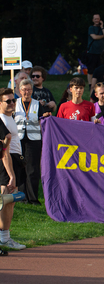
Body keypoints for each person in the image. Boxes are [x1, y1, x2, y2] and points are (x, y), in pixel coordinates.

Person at [15, 80, 51, 205]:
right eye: (24, 89)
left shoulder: (37, 104)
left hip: (33, 140)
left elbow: (44, 117)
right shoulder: (15, 104)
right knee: (20, 169)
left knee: (33, 170)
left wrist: (47, 115)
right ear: (20, 91)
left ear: (32, 90)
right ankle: (22, 197)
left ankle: (33, 198)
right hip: (18, 140)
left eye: (29, 89)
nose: (27, 92)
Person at [0, 88, 27, 250]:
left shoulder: (10, 117)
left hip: (15, 161)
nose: (12, 103)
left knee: (9, 202)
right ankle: (4, 238)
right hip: (6, 163)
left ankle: (4, 237)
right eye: (7, 101)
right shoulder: (1, 119)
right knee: (5, 200)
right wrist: (11, 175)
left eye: (13, 100)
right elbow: (4, 152)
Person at [86, 14, 104, 85]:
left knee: (101, 69)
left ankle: (100, 83)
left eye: (98, 19)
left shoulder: (103, 29)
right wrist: (103, 36)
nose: (97, 20)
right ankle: (90, 84)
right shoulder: (91, 28)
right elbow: (94, 37)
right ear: (93, 20)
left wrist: (102, 27)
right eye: (95, 19)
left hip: (101, 53)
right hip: (92, 52)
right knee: (91, 70)